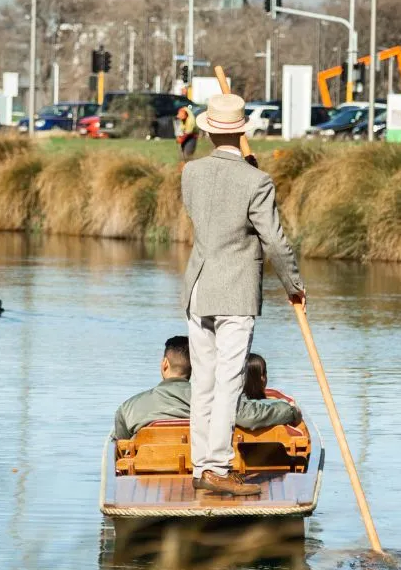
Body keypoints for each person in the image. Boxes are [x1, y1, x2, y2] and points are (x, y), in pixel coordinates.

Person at [182, 93, 306, 496]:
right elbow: (274, 240)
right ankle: (216, 467)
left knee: (203, 381)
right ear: (243, 130)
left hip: (198, 287)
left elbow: (210, 215)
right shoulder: (257, 182)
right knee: (228, 381)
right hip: (234, 291)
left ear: (207, 131)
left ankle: (203, 465)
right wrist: (294, 285)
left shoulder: (191, 172)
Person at [113, 337, 300, 441]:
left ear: (164, 364)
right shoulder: (215, 397)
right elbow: (249, 416)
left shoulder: (127, 408)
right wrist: (290, 410)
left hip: (149, 480)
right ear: (195, 367)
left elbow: (119, 449)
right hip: (202, 472)